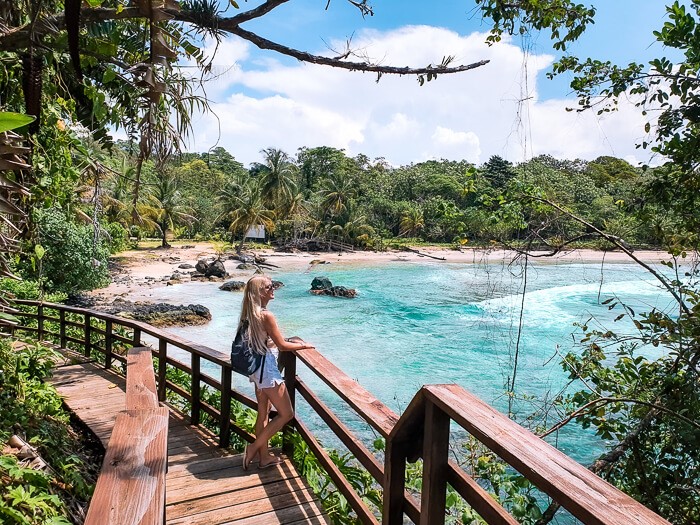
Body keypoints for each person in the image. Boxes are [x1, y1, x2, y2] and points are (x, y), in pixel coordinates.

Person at [238, 274, 314, 470]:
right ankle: (253, 449)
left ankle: (264, 458)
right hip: (266, 370)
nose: (273, 289)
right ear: (259, 292)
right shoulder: (266, 315)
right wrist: (303, 345)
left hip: (255, 369)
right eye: (269, 286)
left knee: (263, 413)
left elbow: (262, 340)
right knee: (286, 413)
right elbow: (282, 345)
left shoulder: (249, 314)